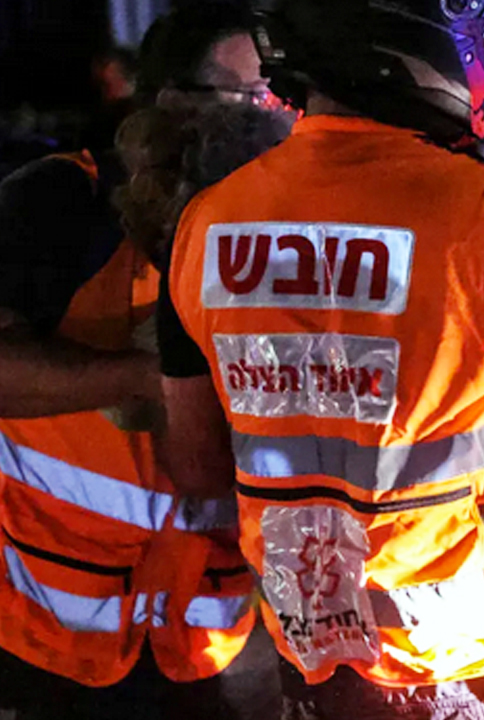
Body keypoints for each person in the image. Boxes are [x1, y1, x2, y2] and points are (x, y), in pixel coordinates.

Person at [157, 1, 484, 719]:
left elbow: (201, 466)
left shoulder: (205, 223)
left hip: (319, 683)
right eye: (472, 33)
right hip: (483, 678)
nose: (481, 59)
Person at [0, 4, 285, 720]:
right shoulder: (60, 202)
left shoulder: (280, 234)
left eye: (284, 100)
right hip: (41, 642)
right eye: (252, 100)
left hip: (206, 647)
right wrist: (142, 377)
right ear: (170, 100)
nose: (273, 123)